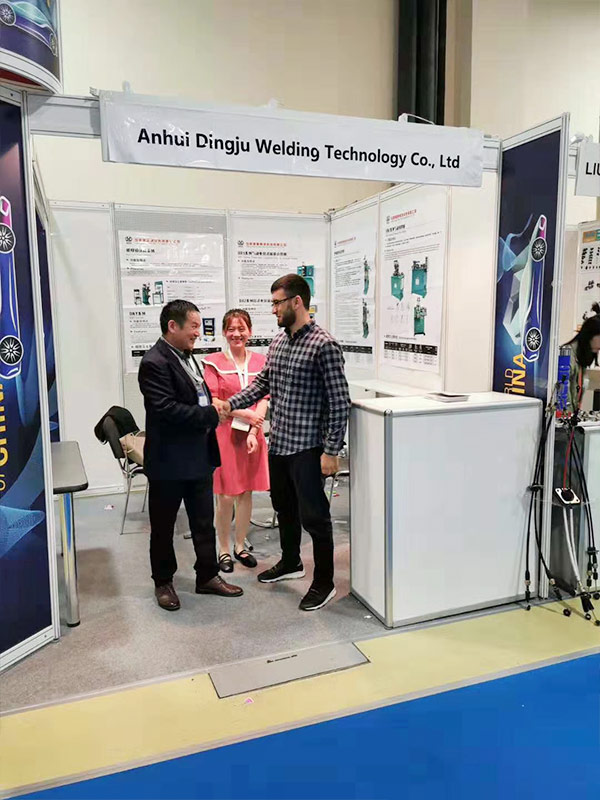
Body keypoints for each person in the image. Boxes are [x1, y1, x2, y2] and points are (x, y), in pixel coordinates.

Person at [214, 274, 351, 612]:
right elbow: (262, 384)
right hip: (280, 445)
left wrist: (331, 450)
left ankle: (324, 582)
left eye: (277, 303)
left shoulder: (324, 345)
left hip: (308, 448)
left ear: (297, 302)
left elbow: (339, 401)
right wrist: (230, 405)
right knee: (284, 508)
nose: (273, 309)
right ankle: (291, 562)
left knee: (315, 517)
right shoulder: (278, 342)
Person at [138, 299, 242, 611]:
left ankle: (207, 575)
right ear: (173, 326)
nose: (199, 332)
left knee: (203, 522)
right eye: (194, 326)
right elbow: (166, 410)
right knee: (163, 527)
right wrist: (211, 414)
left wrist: (213, 407)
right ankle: (163, 581)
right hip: (168, 462)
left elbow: (197, 395)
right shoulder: (154, 362)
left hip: (198, 456)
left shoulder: (187, 356)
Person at [203, 309, 270, 573]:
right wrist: (244, 414)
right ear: (223, 332)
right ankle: (223, 549)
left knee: (246, 492)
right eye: (231, 329)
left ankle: (240, 545)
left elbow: (264, 398)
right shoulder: (213, 362)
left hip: (253, 433)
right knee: (226, 495)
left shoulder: (262, 361)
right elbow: (214, 400)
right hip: (225, 434)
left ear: (250, 332)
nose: (236, 334)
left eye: (241, 328)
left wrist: (254, 429)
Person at [562, 303, 600, 413]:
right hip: (563, 418)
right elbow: (563, 400)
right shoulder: (567, 356)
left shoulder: (581, 358)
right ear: (590, 336)